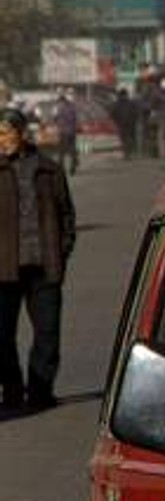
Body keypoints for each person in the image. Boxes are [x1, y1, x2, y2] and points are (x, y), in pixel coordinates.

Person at [0, 108, 78, 412]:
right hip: (4, 270)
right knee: (1, 337)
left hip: (44, 267)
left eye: (6, 133)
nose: (1, 140)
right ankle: (12, 391)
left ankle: (40, 393)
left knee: (47, 333)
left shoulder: (49, 170)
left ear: (21, 134)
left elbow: (67, 215)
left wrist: (62, 249)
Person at [52, 92, 80, 176]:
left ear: (60, 100)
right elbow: (75, 118)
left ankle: (60, 168)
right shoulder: (72, 107)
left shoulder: (57, 107)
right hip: (72, 131)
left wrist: (57, 122)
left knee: (61, 151)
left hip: (63, 132)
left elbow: (54, 118)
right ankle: (73, 166)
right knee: (72, 149)